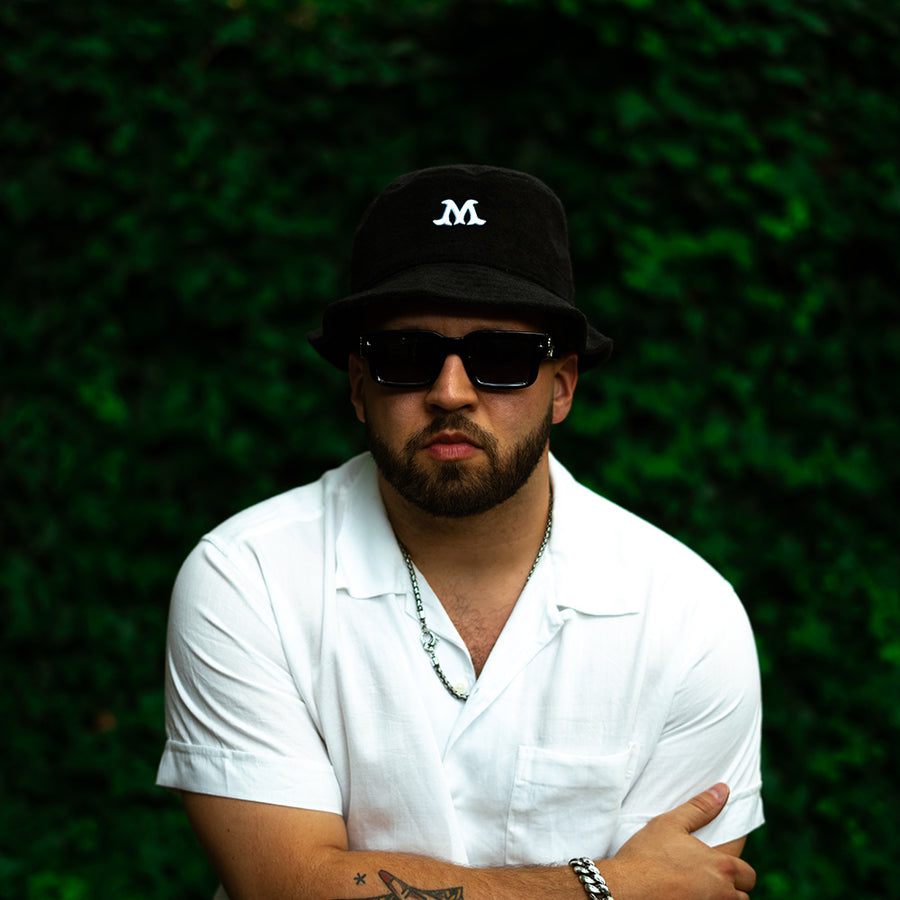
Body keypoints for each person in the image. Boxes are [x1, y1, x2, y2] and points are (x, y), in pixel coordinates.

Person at [156, 164, 763, 900]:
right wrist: (604, 888)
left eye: (501, 358)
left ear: (562, 386)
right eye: (405, 357)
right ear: (357, 386)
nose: (450, 391)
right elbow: (289, 888)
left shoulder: (688, 615)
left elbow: (688, 888)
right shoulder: (248, 577)